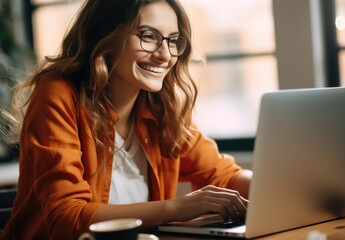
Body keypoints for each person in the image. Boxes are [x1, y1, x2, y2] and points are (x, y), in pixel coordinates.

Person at [0, 0, 252, 239]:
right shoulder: (58, 94)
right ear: (107, 35)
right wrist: (178, 207)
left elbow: (223, 175)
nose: (165, 55)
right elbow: (67, 216)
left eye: (173, 41)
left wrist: (279, 185)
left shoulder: (161, 108)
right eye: (148, 36)